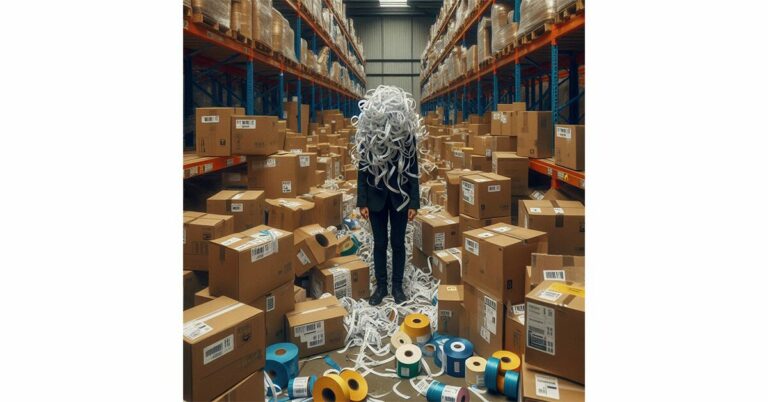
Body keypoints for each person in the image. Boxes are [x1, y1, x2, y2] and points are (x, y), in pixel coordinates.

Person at [357, 147, 420, 306]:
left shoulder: (406, 134)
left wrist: (414, 203)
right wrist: (362, 201)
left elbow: (413, 168)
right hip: (375, 197)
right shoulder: (371, 131)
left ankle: (397, 287)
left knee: (398, 244)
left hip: (401, 197)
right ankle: (381, 287)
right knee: (380, 244)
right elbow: (363, 169)